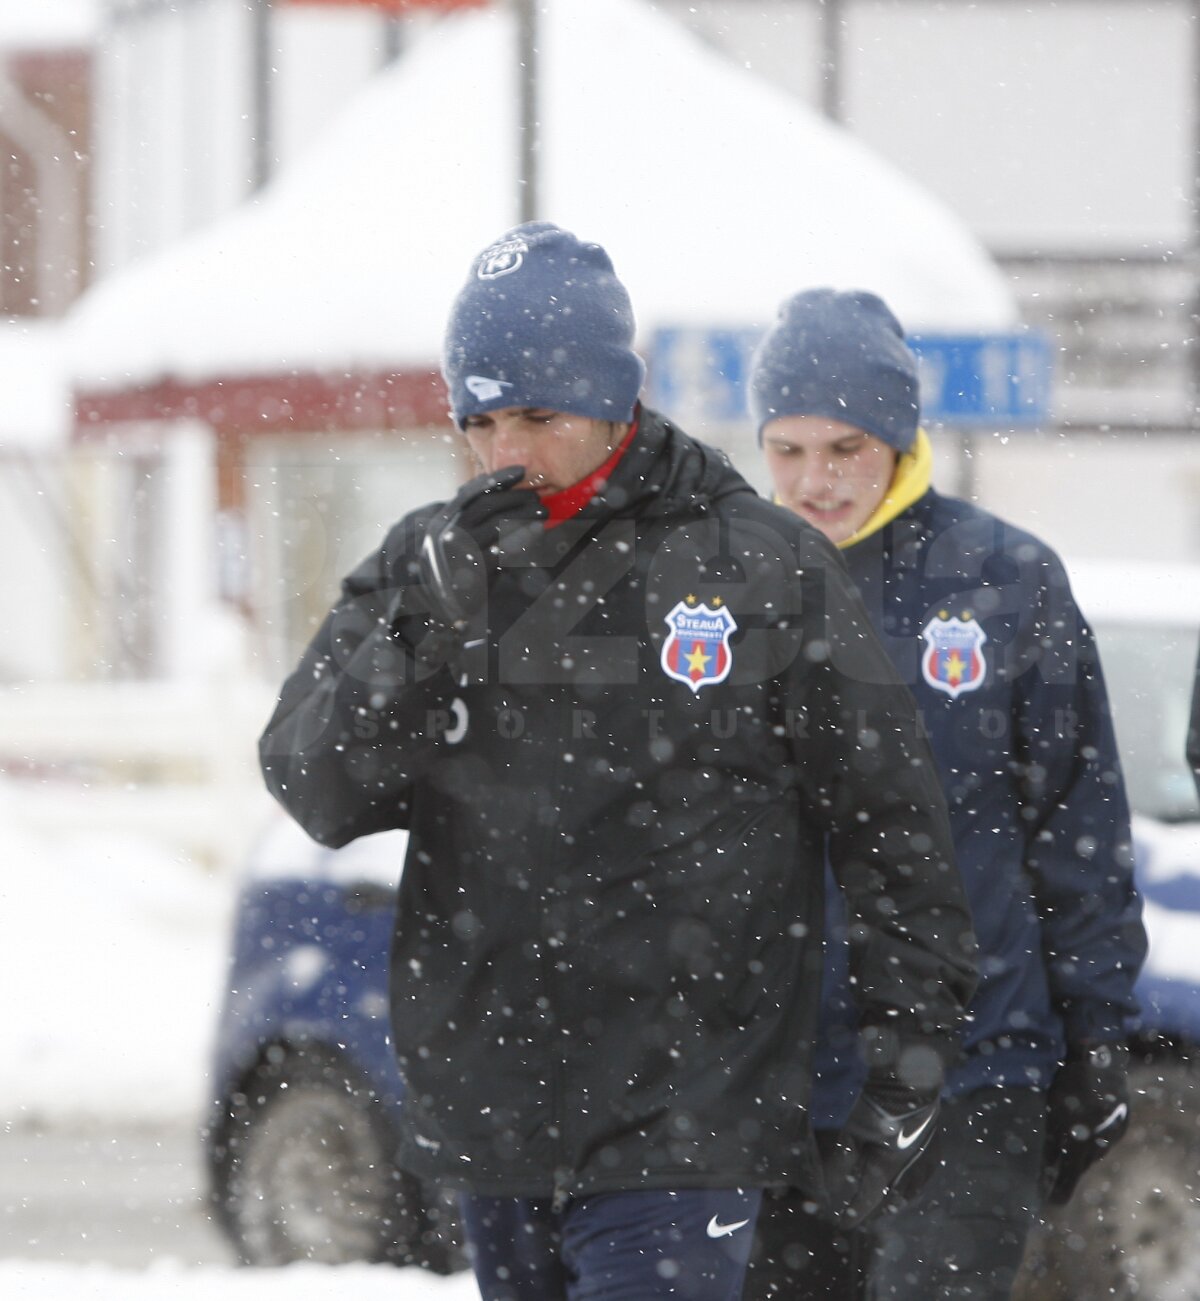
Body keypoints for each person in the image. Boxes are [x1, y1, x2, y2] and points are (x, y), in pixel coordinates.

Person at [258, 224, 977, 1301]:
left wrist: (907, 1061)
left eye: (538, 416)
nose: (506, 450)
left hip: (691, 1117)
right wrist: (421, 633)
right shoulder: (426, 564)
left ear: (613, 401)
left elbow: (893, 830)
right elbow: (313, 785)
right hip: (495, 1116)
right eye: (481, 420)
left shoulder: (758, 564)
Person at [742, 289, 1148, 1301]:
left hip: (968, 1073)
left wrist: (1096, 1031)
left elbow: (1076, 827)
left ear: (900, 434)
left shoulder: (1005, 582)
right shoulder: (722, 589)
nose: (815, 480)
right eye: (788, 449)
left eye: (844, 447)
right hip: (775, 1088)